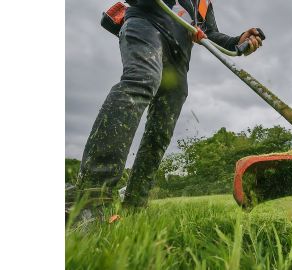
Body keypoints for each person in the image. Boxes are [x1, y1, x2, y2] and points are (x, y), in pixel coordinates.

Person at [75, 0, 264, 208]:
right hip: (147, 25)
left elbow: (208, 33)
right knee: (142, 79)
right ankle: (91, 193)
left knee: (161, 127)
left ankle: (135, 204)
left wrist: (238, 41)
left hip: (179, 57)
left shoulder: (203, 3)